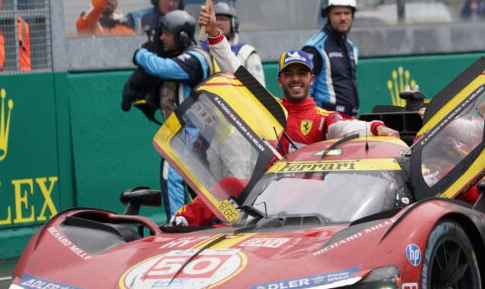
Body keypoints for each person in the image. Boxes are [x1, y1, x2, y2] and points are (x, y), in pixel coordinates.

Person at [169, 49, 400, 227]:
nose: (295, 79)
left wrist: (376, 128)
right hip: (265, 194)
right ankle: (179, 224)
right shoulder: (269, 108)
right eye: (288, 74)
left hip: (307, 200)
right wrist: (216, 38)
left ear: (312, 78)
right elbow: (237, 76)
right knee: (229, 184)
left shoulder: (323, 118)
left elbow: (344, 128)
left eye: (301, 73)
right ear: (279, 80)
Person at [132, 10, 210, 217]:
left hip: (193, 131)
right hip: (188, 131)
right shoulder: (186, 56)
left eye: (166, 33)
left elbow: (163, 68)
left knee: (172, 173)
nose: (161, 38)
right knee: (195, 183)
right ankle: (199, 224)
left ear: (182, 36)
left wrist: (141, 53)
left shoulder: (196, 59)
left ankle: (178, 223)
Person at [303, 0, 361, 116]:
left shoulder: (352, 47)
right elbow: (306, 90)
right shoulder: (314, 47)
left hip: (350, 116)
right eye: (337, 13)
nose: (343, 18)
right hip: (327, 118)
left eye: (347, 13)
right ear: (327, 15)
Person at [198, 1, 265, 85]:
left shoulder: (247, 53)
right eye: (215, 18)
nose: (217, 22)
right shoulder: (200, 51)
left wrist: (214, 34)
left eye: (223, 19)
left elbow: (259, 89)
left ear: (234, 23)